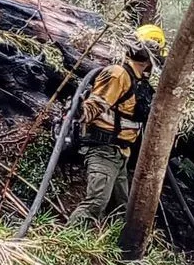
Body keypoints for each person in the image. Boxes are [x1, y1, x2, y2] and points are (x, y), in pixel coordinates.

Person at [67, 24, 166, 226]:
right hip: (103, 150)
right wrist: (80, 112)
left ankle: (105, 253)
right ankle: (62, 247)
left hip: (120, 154)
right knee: (95, 204)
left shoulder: (140, 83)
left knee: (121, 210)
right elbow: (94, 106)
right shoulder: (118, 74)